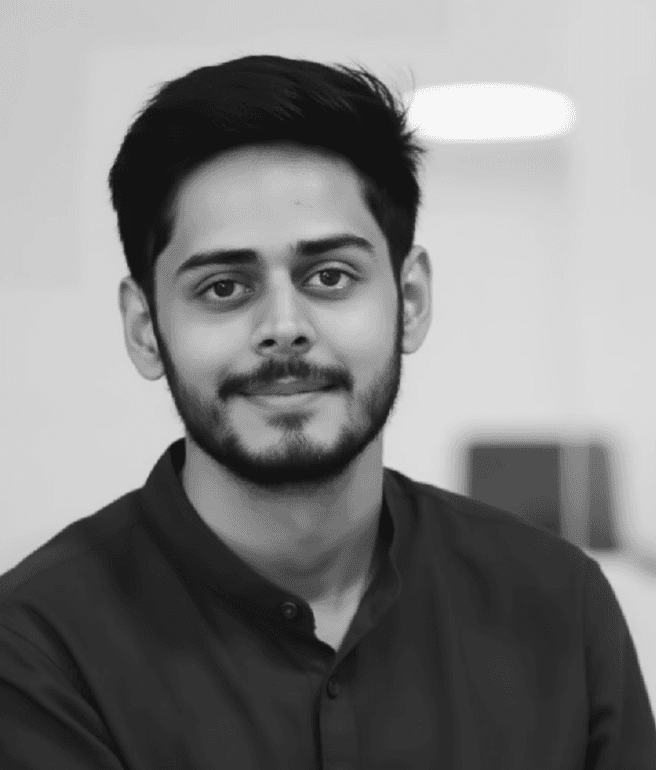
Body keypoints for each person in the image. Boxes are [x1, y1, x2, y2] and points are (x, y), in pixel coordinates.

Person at [0, 54, 654, 770]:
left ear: (409, 302)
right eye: (223, 287)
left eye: (330, 276)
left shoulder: (557, 606)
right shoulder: (36, 650)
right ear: (143, 328)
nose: (284, 326)